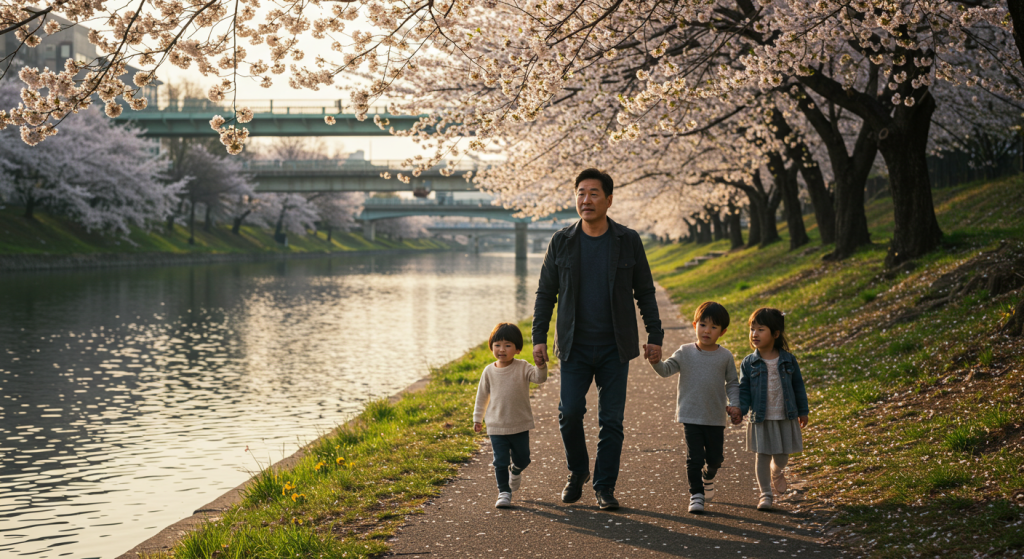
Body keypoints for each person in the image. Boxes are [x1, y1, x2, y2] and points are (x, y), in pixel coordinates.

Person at [532, 168, 663, 511]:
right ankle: (578, 472)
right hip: (573, 347)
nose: (585, 200)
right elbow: (546, 293)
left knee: (611, 421)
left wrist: (655, 334)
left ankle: (604, 486)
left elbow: (645, 292)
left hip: (614, 347)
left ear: (609, 199)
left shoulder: (627, 240)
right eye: (580, 193)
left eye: (593, 193)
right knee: (569, 413)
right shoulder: (562, 240)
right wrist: (538, 337)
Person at [645, 301, 741, 514]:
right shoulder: (685, 352)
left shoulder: (725, 356)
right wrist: (655, 361)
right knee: (694, 457)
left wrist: (735, 405)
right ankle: (696, 494)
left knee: (715, 458)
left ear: (722, 332)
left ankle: (709, 476)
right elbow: (666, 369)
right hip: (690, 415)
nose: (707, 331)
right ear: (694, 324)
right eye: (703, 325)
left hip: (715, 416)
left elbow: (732, 383)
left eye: (714, 327)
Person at [738, 307, 810, 511]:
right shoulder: (749, 363)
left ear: (775, 334)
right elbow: (744, 391)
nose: (754, 334)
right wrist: (740, 409)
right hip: (761, 417)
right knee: (762, 454)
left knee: (782, 455)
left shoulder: (788, 360)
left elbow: (798, 386)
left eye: (761, 329)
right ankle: (765, 494)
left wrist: (803, 411)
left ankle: (777, 471)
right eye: (752, 329)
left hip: (785, 415)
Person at [473, 322, 548, 508]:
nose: (502, 349)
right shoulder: (489, 371)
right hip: (496, 425)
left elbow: (539, 379)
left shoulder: (523, 367)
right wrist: (477, 418)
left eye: (508, 345)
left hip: (519, 424)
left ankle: (516, 470)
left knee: (523, 458)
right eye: (497, 345)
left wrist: (541, 366)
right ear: (491, 346)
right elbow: (482, 396)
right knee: (500, 461)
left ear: (517, 349)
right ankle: (504, 492)